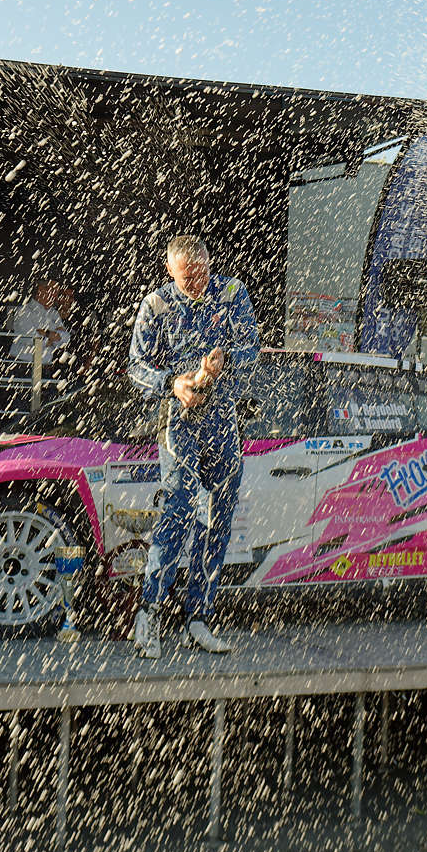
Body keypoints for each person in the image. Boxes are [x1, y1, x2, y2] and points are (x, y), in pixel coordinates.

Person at [126, 235, 259, 658]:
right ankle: (149, 614)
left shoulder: (232, 293)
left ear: (209, 262)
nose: (197, 282)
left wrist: (226, 361)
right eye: (188, 278)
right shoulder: (156, 305)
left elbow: (252, 349)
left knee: (217, 520)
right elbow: (135, 367)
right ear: (170, 270)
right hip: (179, 422)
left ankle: (198, 618)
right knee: (178, 511)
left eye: (202, 273)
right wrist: (172, 383)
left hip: (222, 422)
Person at [10, 279, 69, 368]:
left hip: (46, 364)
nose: (56, 296)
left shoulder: (54, 313)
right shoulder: (23, 311)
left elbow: (66, 338)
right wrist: (53, 337)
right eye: (53, 290)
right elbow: (31, 339)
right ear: (41, 290)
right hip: (23, 364)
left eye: (57, 292)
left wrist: (46, 334)